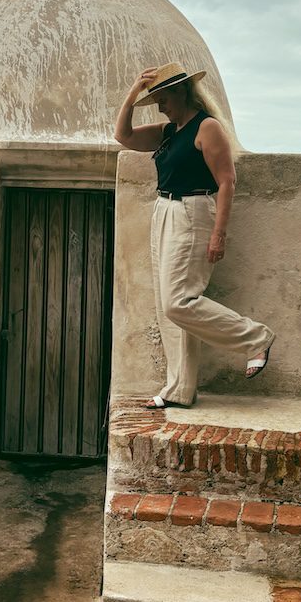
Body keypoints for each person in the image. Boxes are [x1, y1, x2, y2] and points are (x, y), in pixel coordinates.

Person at [114, 61, 276, 408]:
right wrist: (132, 94)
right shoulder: (170, 131)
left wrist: (219, 234)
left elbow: (227, 181)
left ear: (181, 91)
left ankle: (255, 338)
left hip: (193, 211)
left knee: (178, 301)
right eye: (154, 98)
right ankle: (179, 390)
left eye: (162, 97)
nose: (159, 105)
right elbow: (123, 137)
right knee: (166, 307)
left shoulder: (207, 127)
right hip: (164, 210)